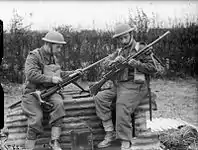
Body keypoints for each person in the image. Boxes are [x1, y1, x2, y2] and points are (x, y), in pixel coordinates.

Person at [93, 23, 157, 150]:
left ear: (131, 35)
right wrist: (112, 62)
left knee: (121, 105)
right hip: (120, 85)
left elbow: (153, 69)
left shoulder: (141, 48)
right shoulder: (120, 51)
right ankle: (110, 133)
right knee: (100, 98)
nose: (123, 41)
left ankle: (125, 139)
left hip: (136, 85)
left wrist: (136, 64)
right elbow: (104, 63)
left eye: (125, 37)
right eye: (120, 39)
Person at [21, 31, 81, 150]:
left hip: (50, 92)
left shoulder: (53, 58)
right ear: (49, 44)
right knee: (36, 118)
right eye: (57, 46)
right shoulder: (34, 56)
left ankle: (54, 142)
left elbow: (59, 74)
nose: (59, 50)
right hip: (33, 93)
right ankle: (29, 147)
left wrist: (73, 73)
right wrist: (51, 79)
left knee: (59, 105)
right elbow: (31, 74)